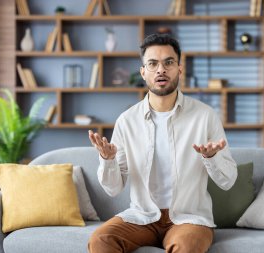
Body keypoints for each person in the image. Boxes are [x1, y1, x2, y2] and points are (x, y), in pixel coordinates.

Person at [88, 33, 237, 253]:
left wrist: (211, 157)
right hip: (142, 216)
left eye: (168, 62)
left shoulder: (205, 116)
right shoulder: (127, 121)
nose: (161, 70)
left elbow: (228, 181)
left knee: (185, 246)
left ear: (179, 69)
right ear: (143, 72)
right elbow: (113, 188)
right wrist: (107, 160)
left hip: (189, 219)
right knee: (101, 239)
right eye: (153, 64)